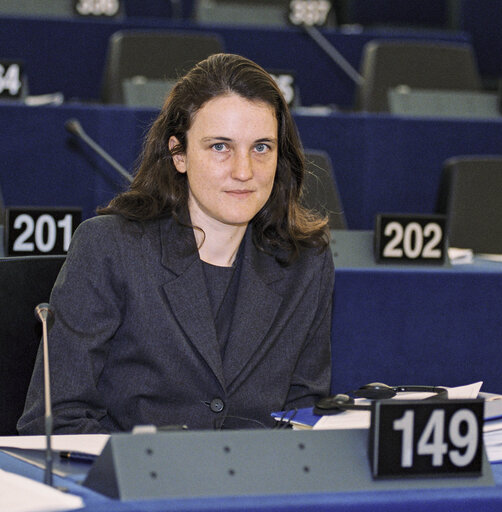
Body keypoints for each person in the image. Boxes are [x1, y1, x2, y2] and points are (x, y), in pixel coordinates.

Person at [18, 53, 334, 434]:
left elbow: (303, 414)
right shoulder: (110, 248)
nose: (244, 170)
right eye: (220, 147)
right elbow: (54, 421)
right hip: (135, 485)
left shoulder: (305, 262)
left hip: (254, 486)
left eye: (261, 147)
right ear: (178, 154)